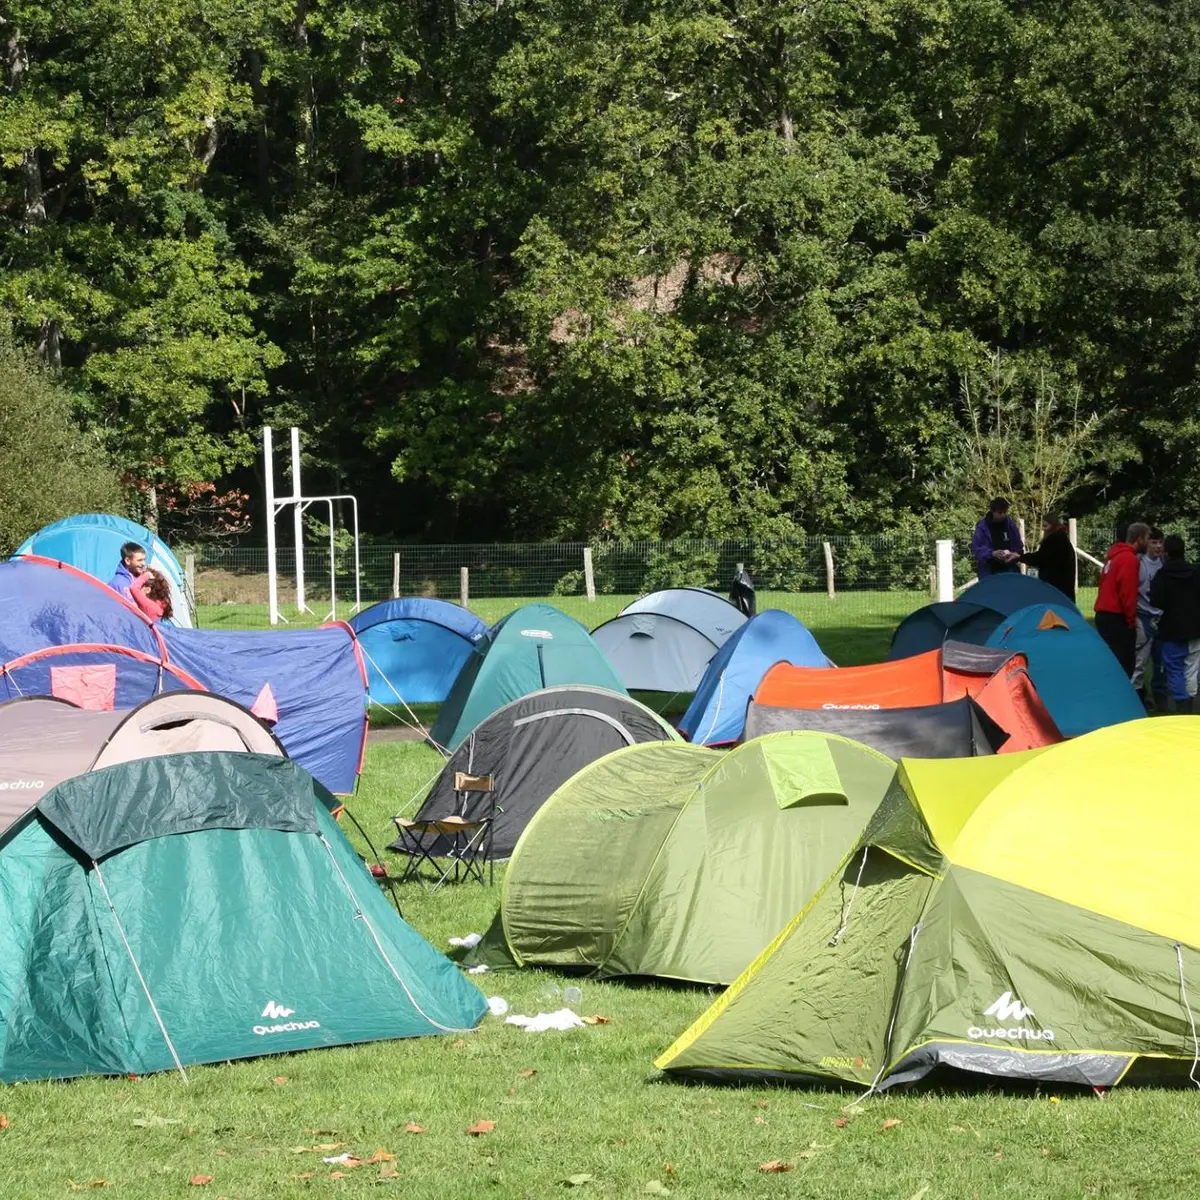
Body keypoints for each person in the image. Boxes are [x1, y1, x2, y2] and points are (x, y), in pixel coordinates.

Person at [1148, 534, 1200, 714]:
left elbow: (1155, 600)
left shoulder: (1162, 575)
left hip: (1172, 630)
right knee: (1192, 669)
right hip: (1195, 629)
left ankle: (1181, 705)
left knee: (1174, 668)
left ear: (1166, 553)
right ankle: (1191, 703)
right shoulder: (1196, 572)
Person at [1094, 522, 1150, 678]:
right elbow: (1127, 592)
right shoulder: (1129, 559)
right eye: (1146, 538)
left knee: (1111, 661)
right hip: (1117, 616)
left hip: (1104, 613)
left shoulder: (1114, 556)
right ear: (1139, 539)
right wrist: (1131, 621)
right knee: (1124, 665)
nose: (1148, 542)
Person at [1133, 527, 1166, 706]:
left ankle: (1160, 697)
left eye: (1160, 542)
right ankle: (1137, 697)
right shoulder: (1139, 563)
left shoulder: (1165, 564)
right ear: (1147, 544)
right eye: (1154, 542)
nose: (1158, 546)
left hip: (1161, 619)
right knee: (1140, 660)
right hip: (1143, 616)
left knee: (1161, 661)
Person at [1019, 514, 1076, 601]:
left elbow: (1039, 558)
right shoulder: (1063, 539)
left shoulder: (1054, 540)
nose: (1043, 529)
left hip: (1055, 588)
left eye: (1046, 526)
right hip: (1064, 589)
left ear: (1053, 525)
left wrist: (1020, 557)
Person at [971, 498, 1024, 579]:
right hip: (989, 572)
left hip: (1009, 570)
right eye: (999, 513)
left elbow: (1018, 545)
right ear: (993, 512)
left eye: (1005, 512)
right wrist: (992, 553)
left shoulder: (1010, 525)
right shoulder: (982, 527)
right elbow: (977, 549)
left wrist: (1014, 555)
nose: (1003, 515)